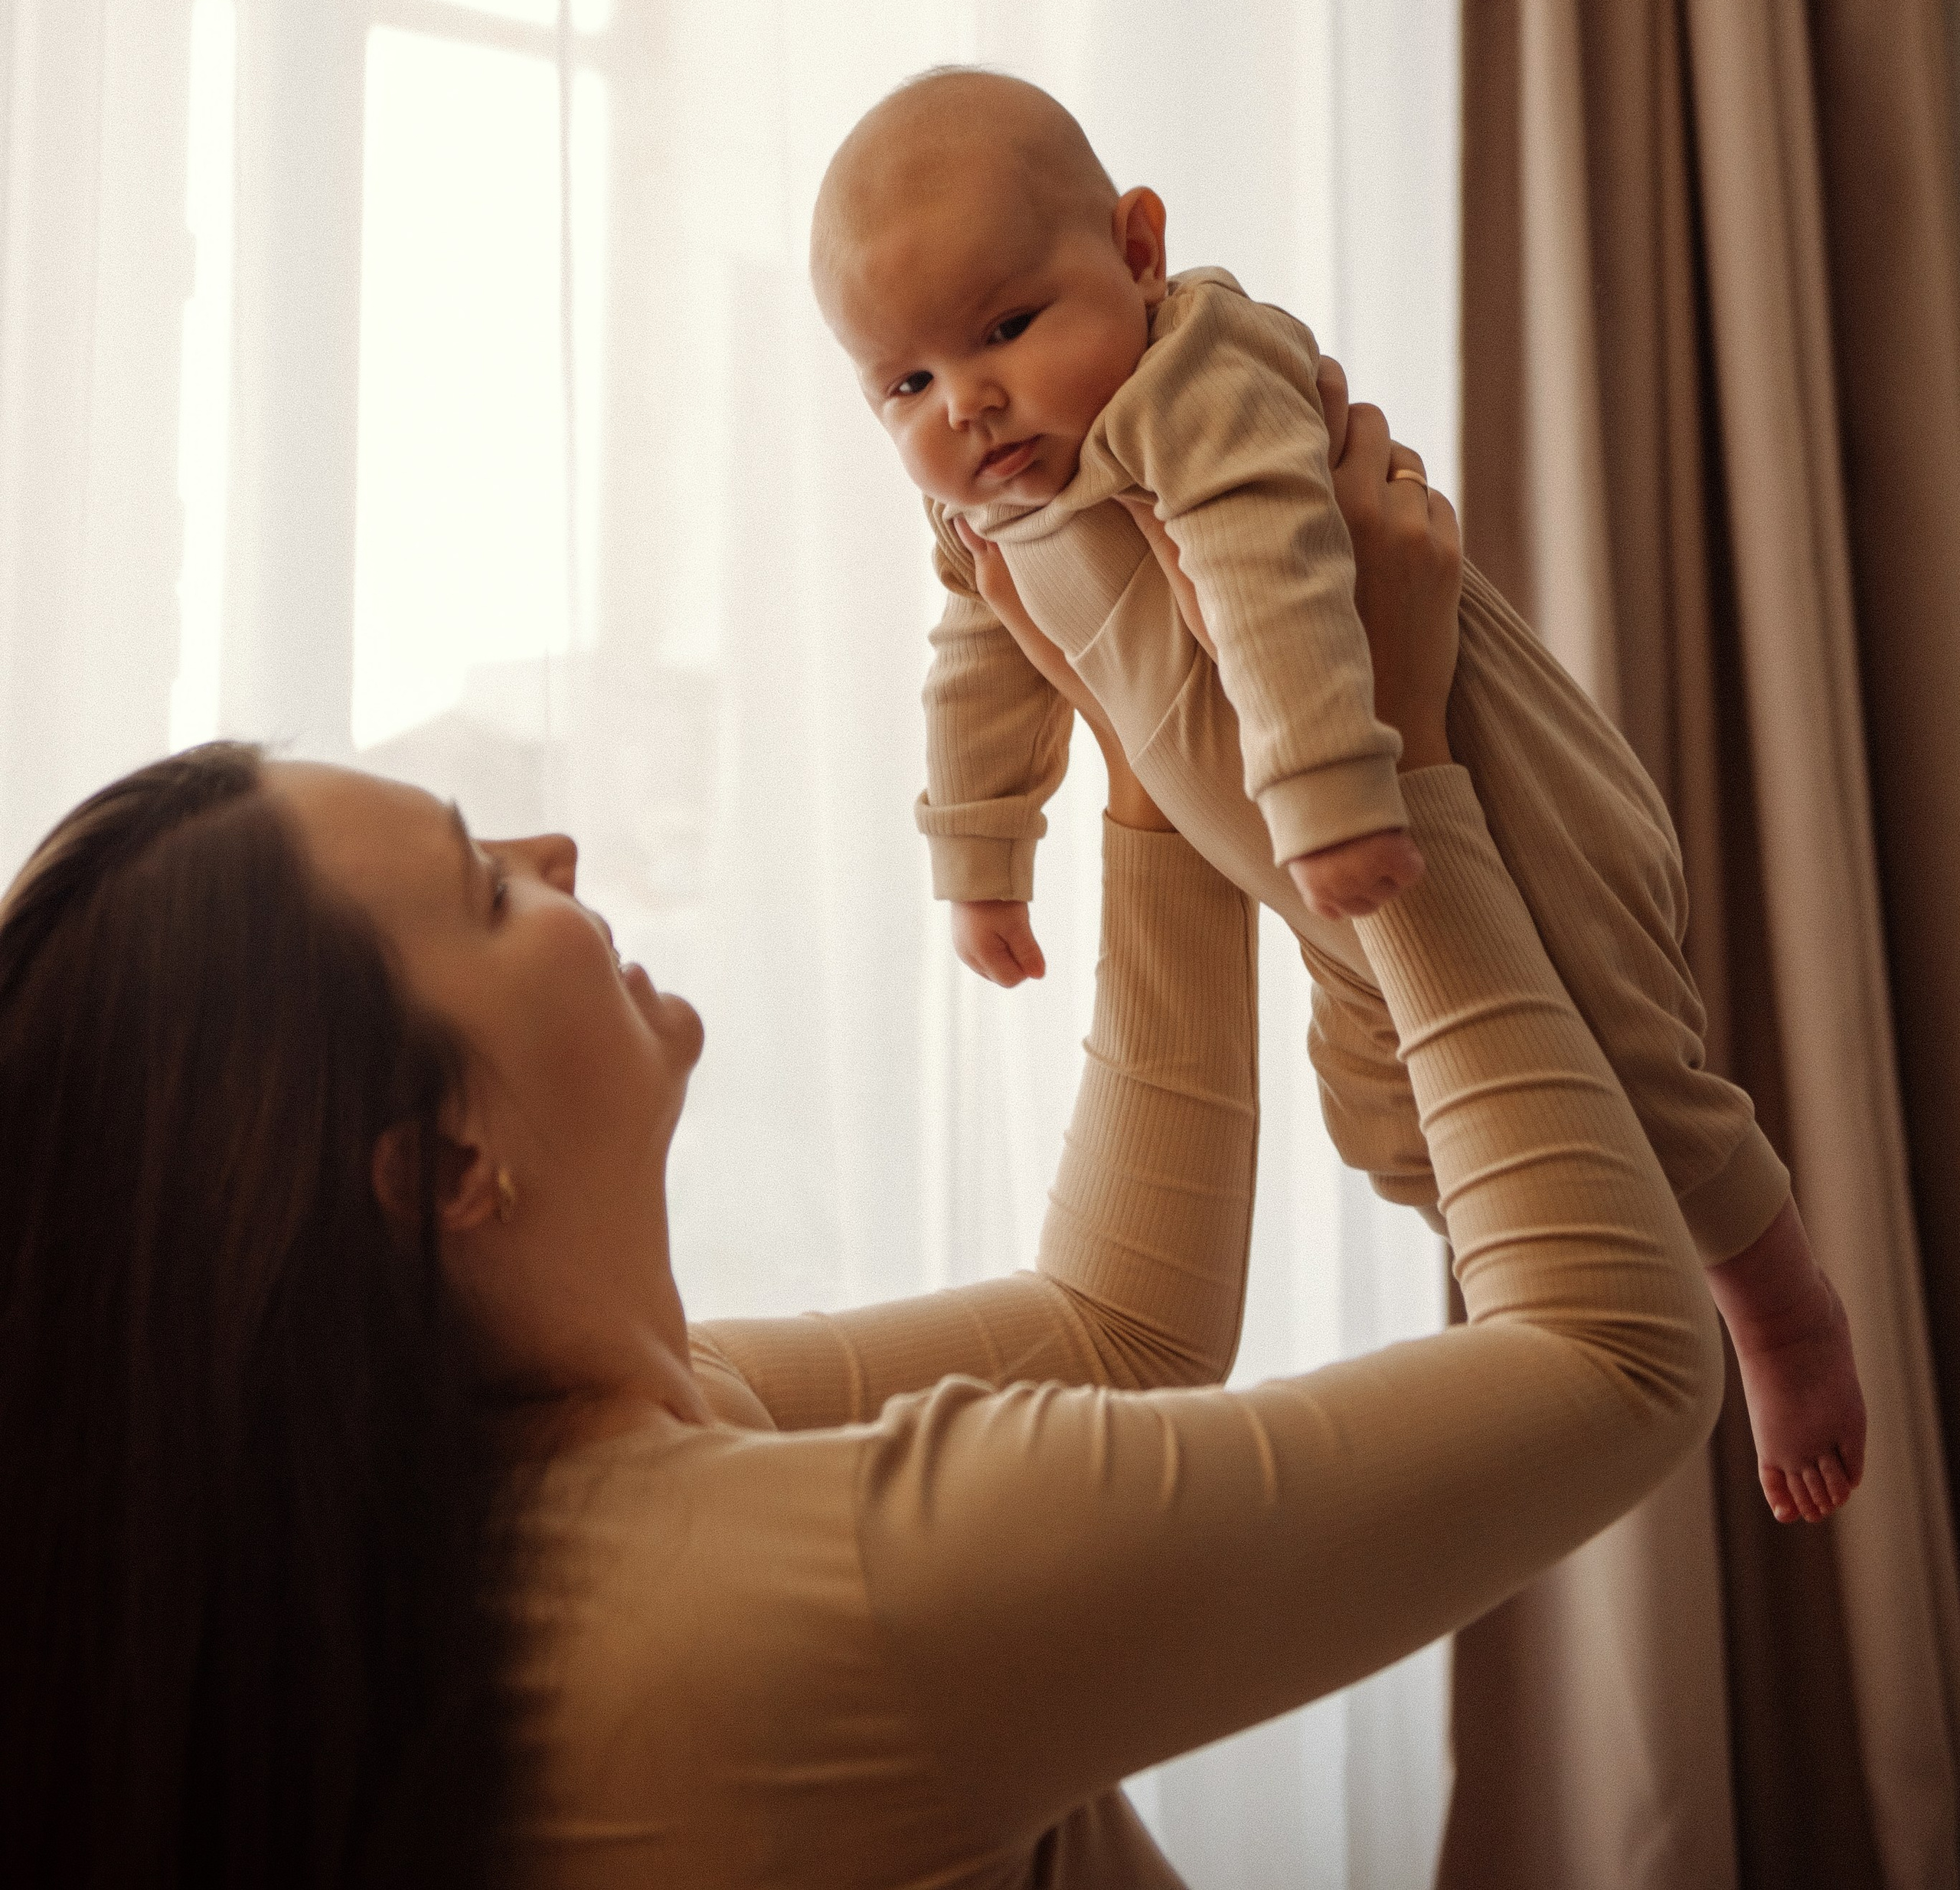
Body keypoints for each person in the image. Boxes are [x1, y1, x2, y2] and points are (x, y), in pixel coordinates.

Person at [2, 381, 1725, 1890]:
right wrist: (1400, 762)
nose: (560, 853)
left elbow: (1115, 1332)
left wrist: (1144, 750)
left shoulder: (530, 1487)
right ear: (444, 1169)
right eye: (482, 882)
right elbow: (1616, 1359)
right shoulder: (794, 1597)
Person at [809, 66, 1866, 1527]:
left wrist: (1322, 782)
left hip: (1474, 787)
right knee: (1380, 1120)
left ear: (1135, 249)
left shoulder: (1195, 373)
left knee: (1629, 1053)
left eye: (1004, 328)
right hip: (1315, 863)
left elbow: (1269, 571)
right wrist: (981, 853)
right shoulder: (983, 499)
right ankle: (1581, 1213)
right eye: (907, 383)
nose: (968, 402)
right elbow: (982, 658)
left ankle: (1780, 1306)